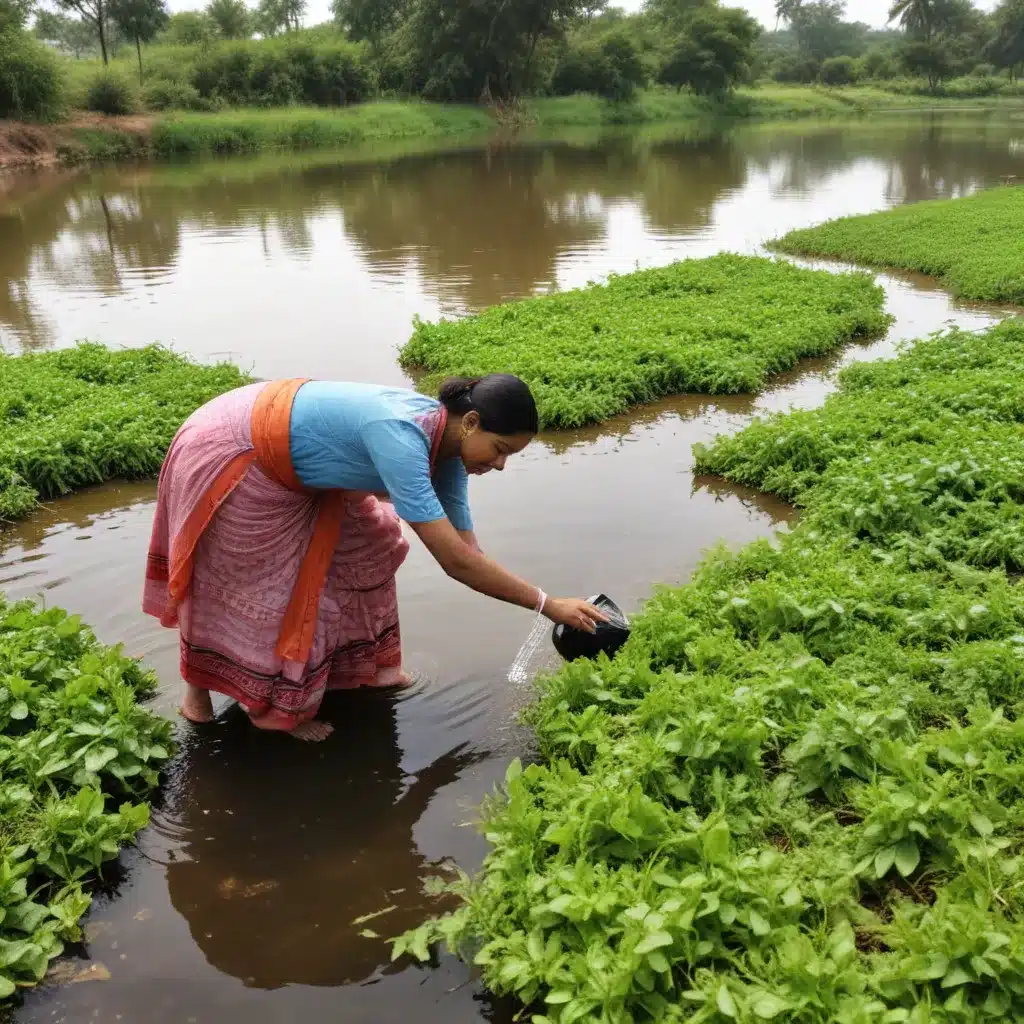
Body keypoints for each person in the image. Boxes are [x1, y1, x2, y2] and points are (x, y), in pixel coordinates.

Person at [143, 374, 606, 741]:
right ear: (470, 424)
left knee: (372, 543)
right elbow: (456, 564)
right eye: (500, 450)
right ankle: (227, 702)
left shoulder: (448, 449)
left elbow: (469, 552)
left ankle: (365, 670)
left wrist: (541, 598)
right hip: (235, 449)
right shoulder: (402, 438)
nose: (500, 464)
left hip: (294, 458)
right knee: (253, 586)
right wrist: (549, 605)